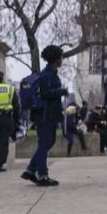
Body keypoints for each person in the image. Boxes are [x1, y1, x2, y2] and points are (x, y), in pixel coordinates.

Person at [21, 45, 68, 187]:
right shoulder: (47, 74)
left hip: (48, 113)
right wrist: (62, 91)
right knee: (45, 142)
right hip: (45, 113)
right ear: (55, 59)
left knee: (49, 141)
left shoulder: (51, 73)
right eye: (60, 57)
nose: (61, 60)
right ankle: (42, 175)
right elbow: (46, 93)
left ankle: (30, 170)